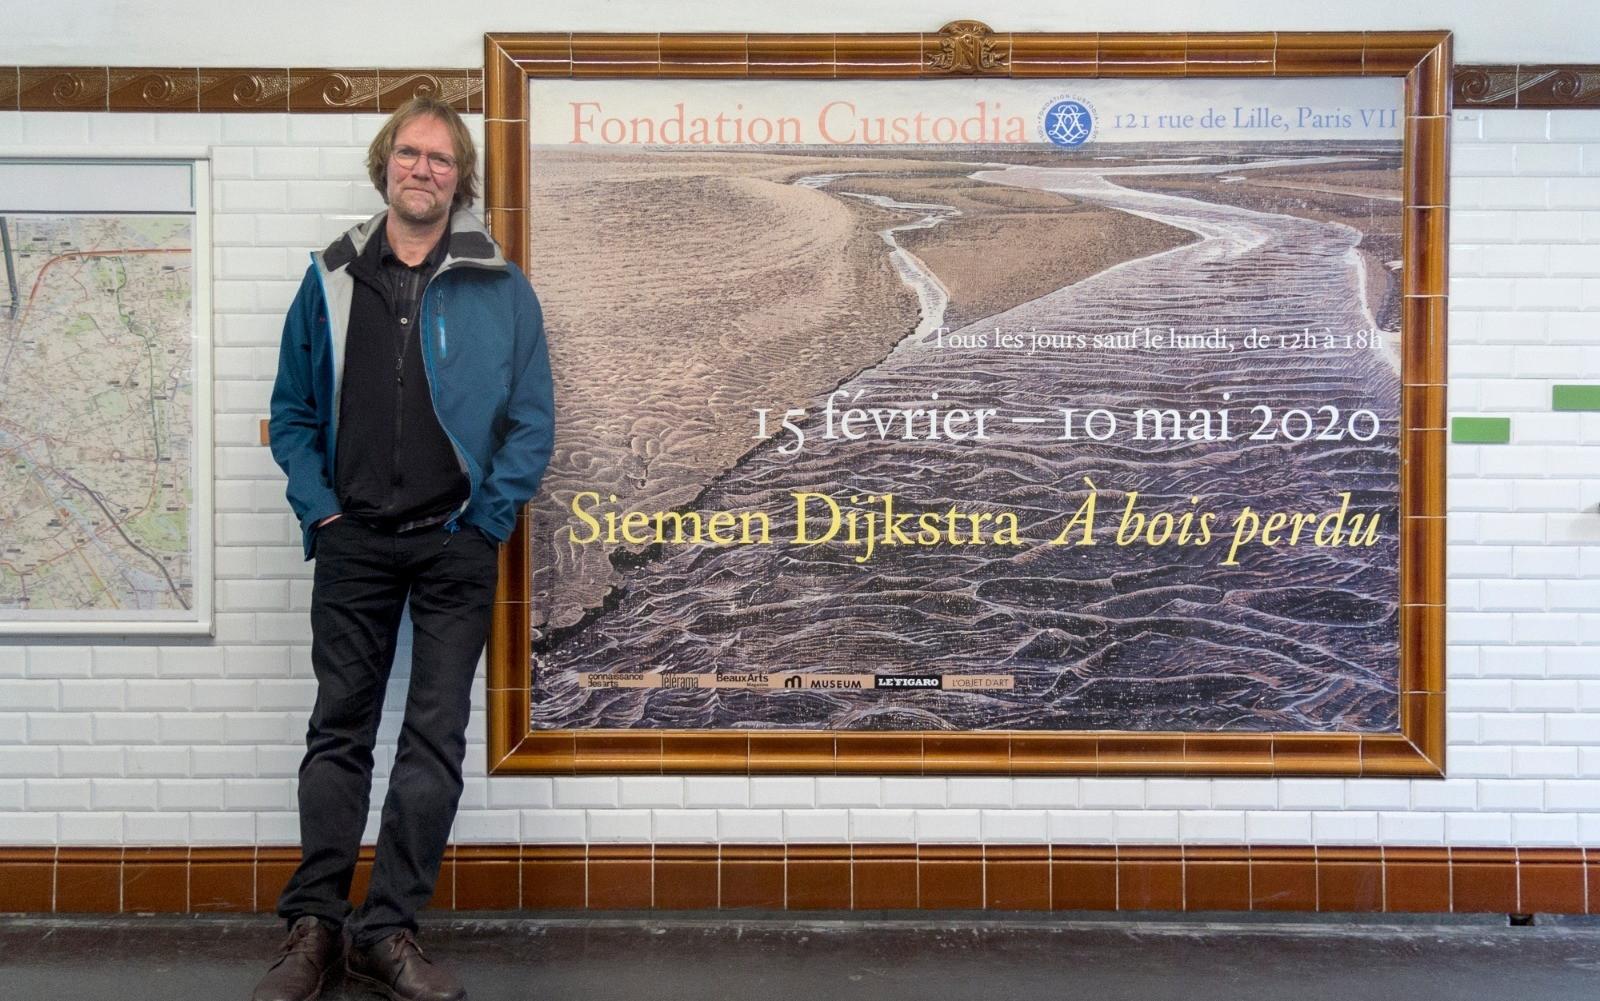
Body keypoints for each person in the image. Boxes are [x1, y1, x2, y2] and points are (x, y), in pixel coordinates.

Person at [255, 97, 554, 1001]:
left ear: (461, 180)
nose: (423, 169)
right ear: (385, 162)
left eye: (442, 158)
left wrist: (487, 521)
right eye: (410, 153)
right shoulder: (330, 278)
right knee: (338, 733)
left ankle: (387, 929)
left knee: (434, 739)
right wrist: (321, 512)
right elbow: (293, 413)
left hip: (454, 546)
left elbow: (532, 420)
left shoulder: (500, 286)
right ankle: (315, 925)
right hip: (352, 543)